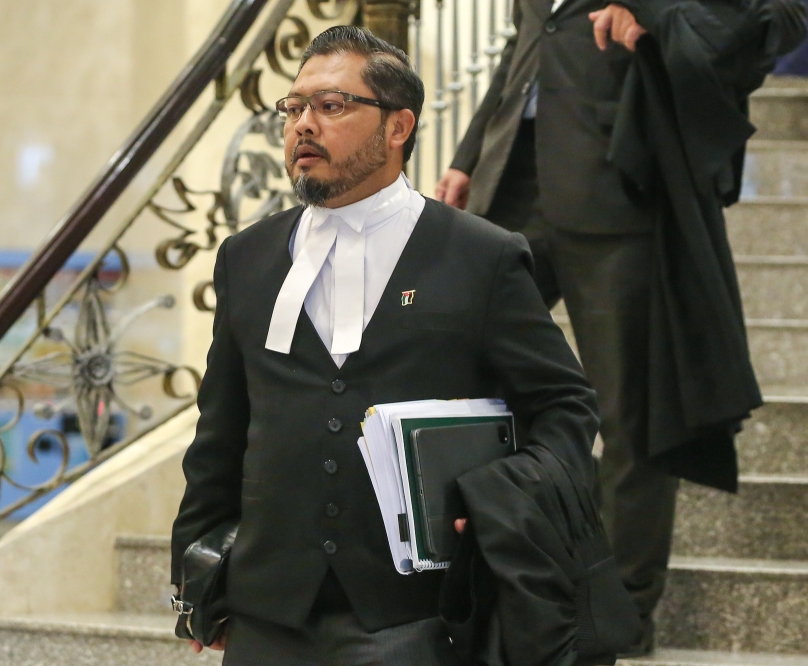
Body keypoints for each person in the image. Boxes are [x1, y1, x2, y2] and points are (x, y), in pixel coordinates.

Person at [171, 25, 600, 665]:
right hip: (266, 611)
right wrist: (198, 579)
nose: (302, 125)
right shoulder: (247, 258)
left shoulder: (482, 256)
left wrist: (502, 501)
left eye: (332, 106)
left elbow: (567, 407)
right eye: (294, 108)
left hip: (413, 618)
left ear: (397, 127)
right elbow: (220, 435)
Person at [437, 0, 805, 655]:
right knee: (454, 374)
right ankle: (466, 581)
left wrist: (658, 15)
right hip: (514, 185)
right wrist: (468, 155)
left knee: (630, 410)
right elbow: (527, 42)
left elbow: (779, 17)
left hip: (620, 184)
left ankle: (621, 612)